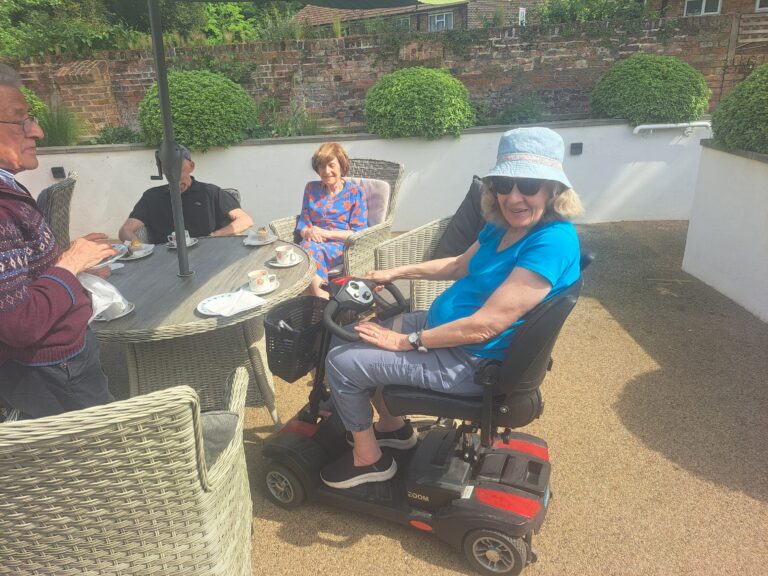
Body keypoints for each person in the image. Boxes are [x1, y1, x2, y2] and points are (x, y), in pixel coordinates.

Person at [320, 127, 584, 489]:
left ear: (553, 189)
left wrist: (407, 341)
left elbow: (486, 325)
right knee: (349, 336)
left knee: (341, 362)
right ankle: (392, 429)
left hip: (469, 361)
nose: (514, 197)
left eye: (528, 185)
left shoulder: (552, 241)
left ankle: (369, 460)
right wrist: (395, 272)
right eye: (503, 185)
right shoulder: (502, 224)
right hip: (443, 332)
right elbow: (458, 265)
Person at [0, 64, 115, 419]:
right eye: (20, 120)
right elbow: (19, 322)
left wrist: (73, 271)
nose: (37, 130)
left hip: (59, 360)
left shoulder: (8, 187)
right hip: (51, 368)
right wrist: (70, 263)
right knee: (96, 443)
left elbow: (20, 280)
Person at [118, 145, 253, 244]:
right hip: (165, 258)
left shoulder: (210, 192)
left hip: (207, 251)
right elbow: (125, 230)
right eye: (167, 164)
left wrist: (213, 236)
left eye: (177, 163)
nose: (172, 168)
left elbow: (245, 220)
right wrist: (139, 247)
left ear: (191, 166)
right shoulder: (152, 196)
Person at [295, 142, 368, 298]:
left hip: (342, 245)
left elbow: (359, 232)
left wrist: (324, 233)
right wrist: (308, 232)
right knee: (304, 250)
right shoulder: (311, 188)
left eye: (331, 165)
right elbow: (303, 222)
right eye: (321, 166)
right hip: (312, 242)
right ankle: (323, 303)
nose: (326, 171)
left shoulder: (356, 192)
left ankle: (321, 304)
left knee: (307, 252)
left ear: (342, 166)